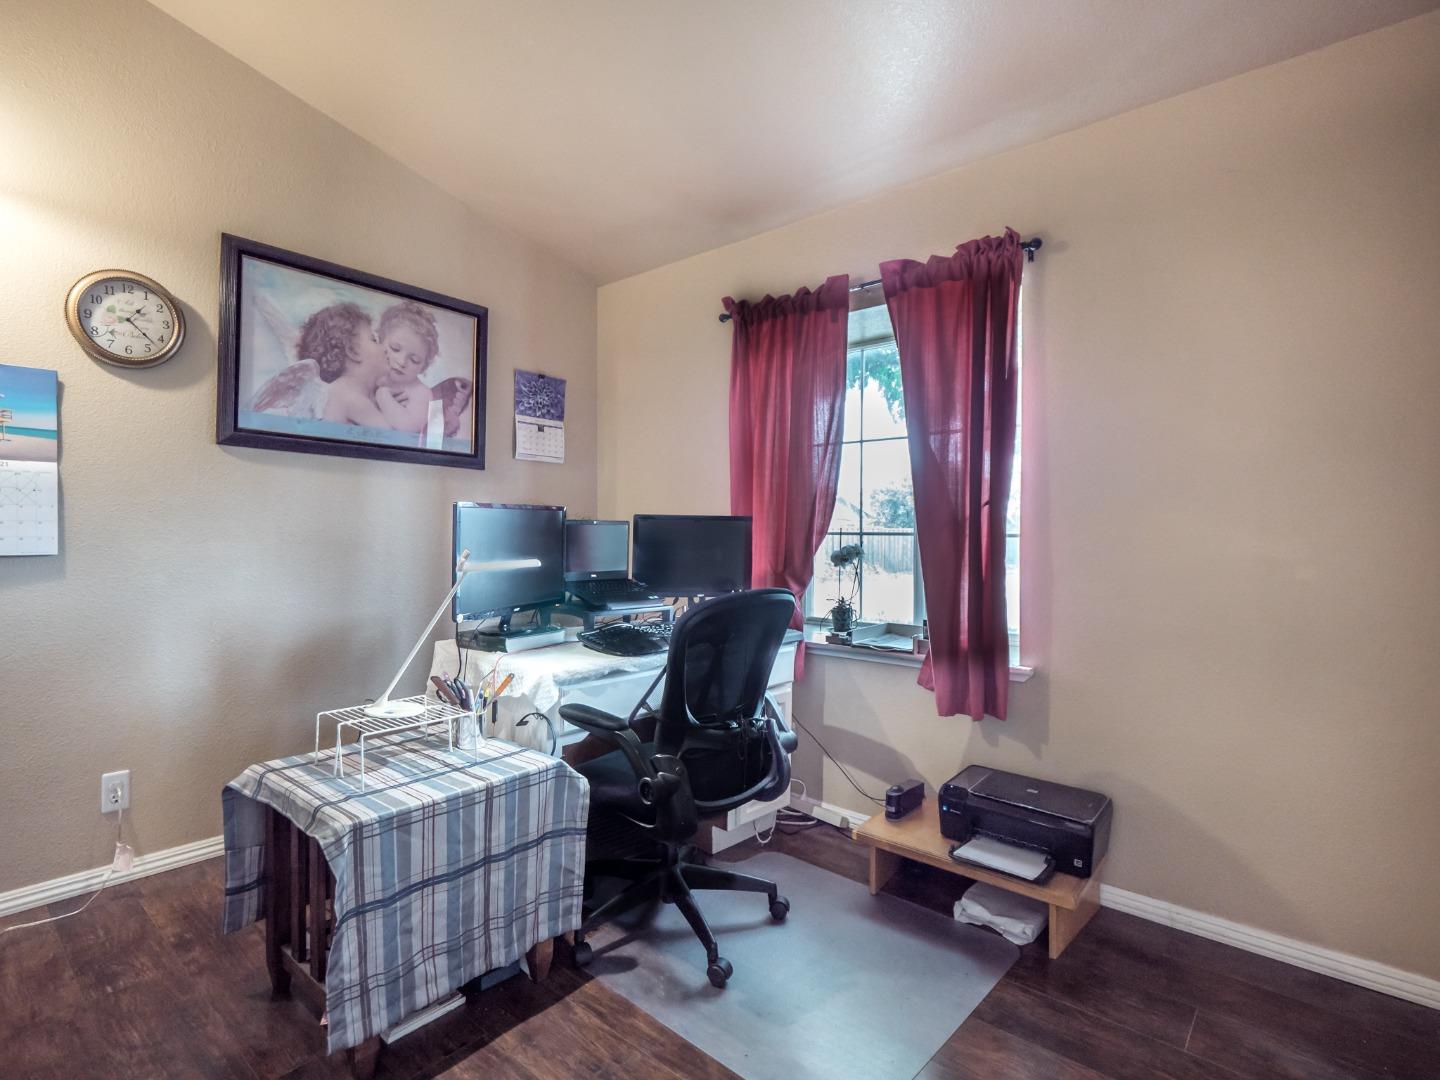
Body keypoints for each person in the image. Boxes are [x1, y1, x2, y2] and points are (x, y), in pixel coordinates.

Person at [373, 301, 441, 433]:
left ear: (423, 366)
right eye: (395, 349)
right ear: (380, 340)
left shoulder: (421, 392)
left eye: (414, 360)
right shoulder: (373, 376)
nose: (402, 362)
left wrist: (382, 396)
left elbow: (409, 428)